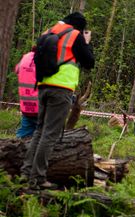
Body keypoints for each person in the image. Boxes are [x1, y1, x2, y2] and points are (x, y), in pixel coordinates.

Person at [21, 12, 95, 190]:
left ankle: (25, 173)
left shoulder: (49, 32)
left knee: (39, 131)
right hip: (61, 90)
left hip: (43, 86)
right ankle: (37, 179)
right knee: (50, 134)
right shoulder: (75, 35)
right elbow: (89, 62)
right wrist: (86, 42)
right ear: (79, 26)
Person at [15, 49, 39, 138]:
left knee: (24, 133)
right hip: (40, 107)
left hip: (26, 106)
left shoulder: (25, 57)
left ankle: (12, 148)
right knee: (43, 135)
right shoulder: (44, 59)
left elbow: (17, 69)